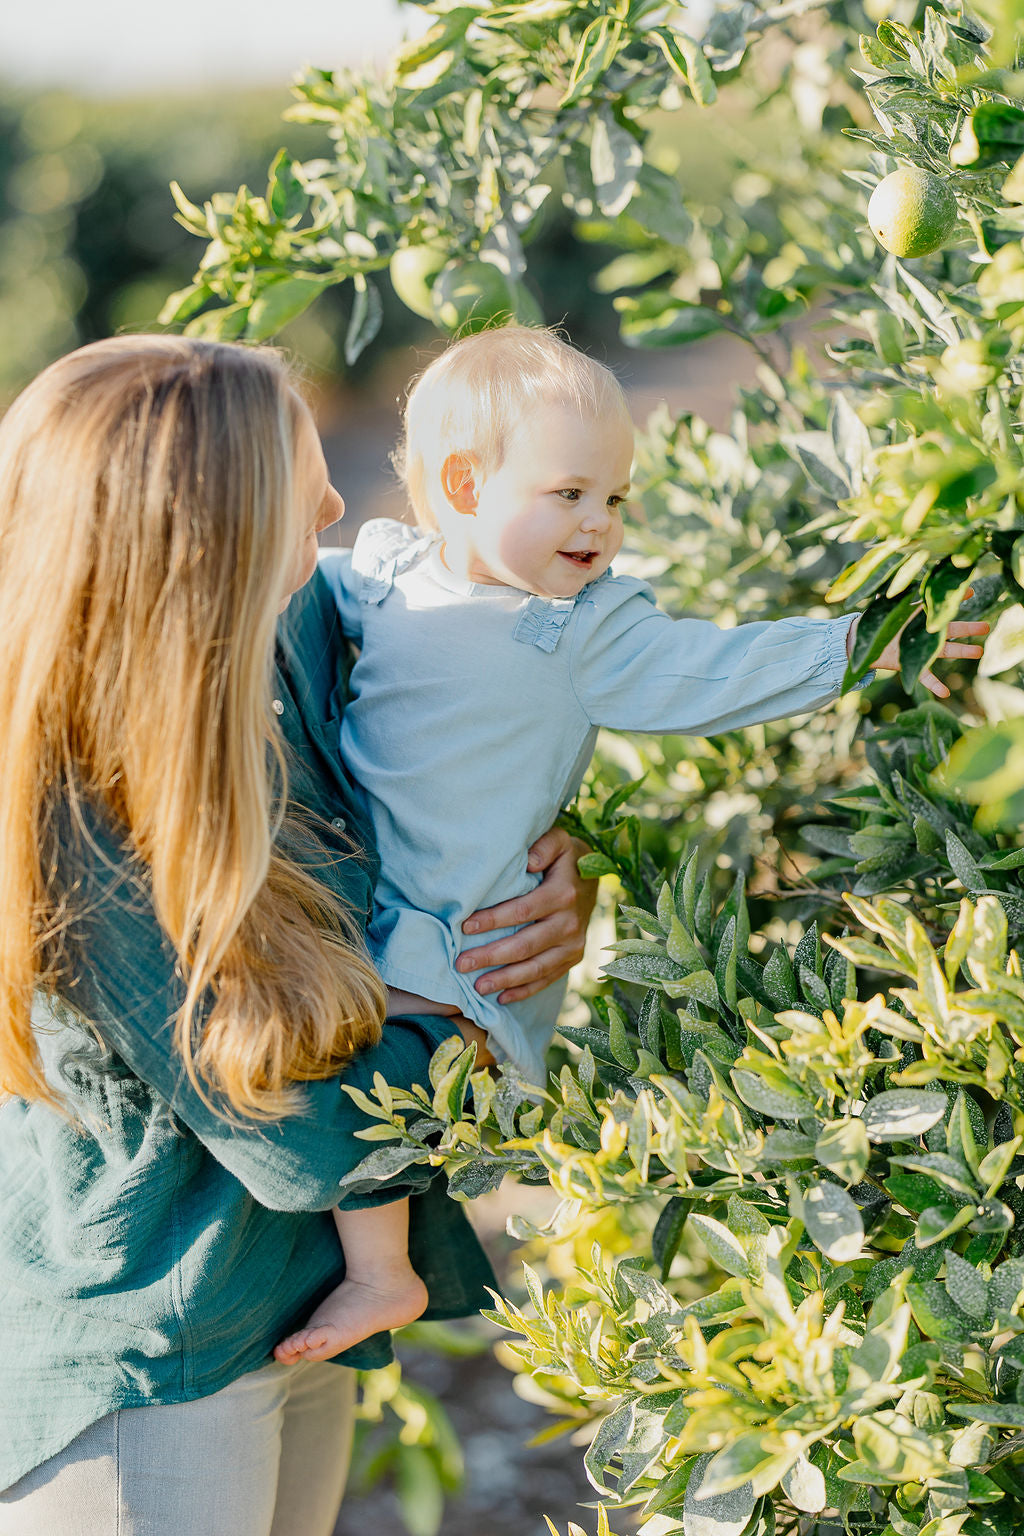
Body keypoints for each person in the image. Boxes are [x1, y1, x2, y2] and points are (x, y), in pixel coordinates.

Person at [274, 322, 988, 1368]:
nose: (600, 525)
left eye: (615, 498)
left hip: (459, 941)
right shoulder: (385, 576)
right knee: (343, 1056)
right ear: (463, 485)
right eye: (569, 494)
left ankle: (385, 1273)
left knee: (365, 1068)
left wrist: (872, 643)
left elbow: (720, 668)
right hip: (370, 911)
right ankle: (383, 1259)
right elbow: (300, 585)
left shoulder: (579, 632)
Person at [0, 334, 598, 1536]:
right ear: (198, 544)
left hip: (295, 1303)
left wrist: (534, 895)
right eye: (298, 483)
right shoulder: (86, 813)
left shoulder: (291, 638)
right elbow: (301, 1126)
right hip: (154, 1352)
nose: (336, 505)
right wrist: (472, 1004)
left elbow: (466, 719)